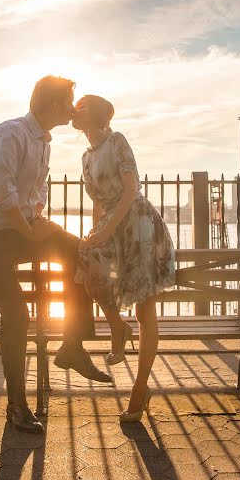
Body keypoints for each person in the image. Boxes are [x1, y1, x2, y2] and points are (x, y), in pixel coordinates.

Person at [0, 76, 112, 434]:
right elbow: (0, 191)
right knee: (17, 314)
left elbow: (35, 190)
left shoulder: (43, 141)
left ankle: (71, 346)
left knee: (75, 249)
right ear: (53, 105)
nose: (73, 108)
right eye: (69, 101)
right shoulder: (12, 134)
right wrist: (29, 231)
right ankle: (17, 408)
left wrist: (37, 219)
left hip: (14, 232)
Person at [71, 95, 175, 423]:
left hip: (139, 225)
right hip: (112, 226)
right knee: (85, 264)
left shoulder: (117, 141)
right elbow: (98, 202)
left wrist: (106, 230)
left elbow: (130, 191)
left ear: (97, 113)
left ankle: (140, 388)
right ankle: (117, 325)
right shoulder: (86, 157)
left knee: (146, 310)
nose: (76, 108)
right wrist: (95, 231)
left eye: (82, 104)